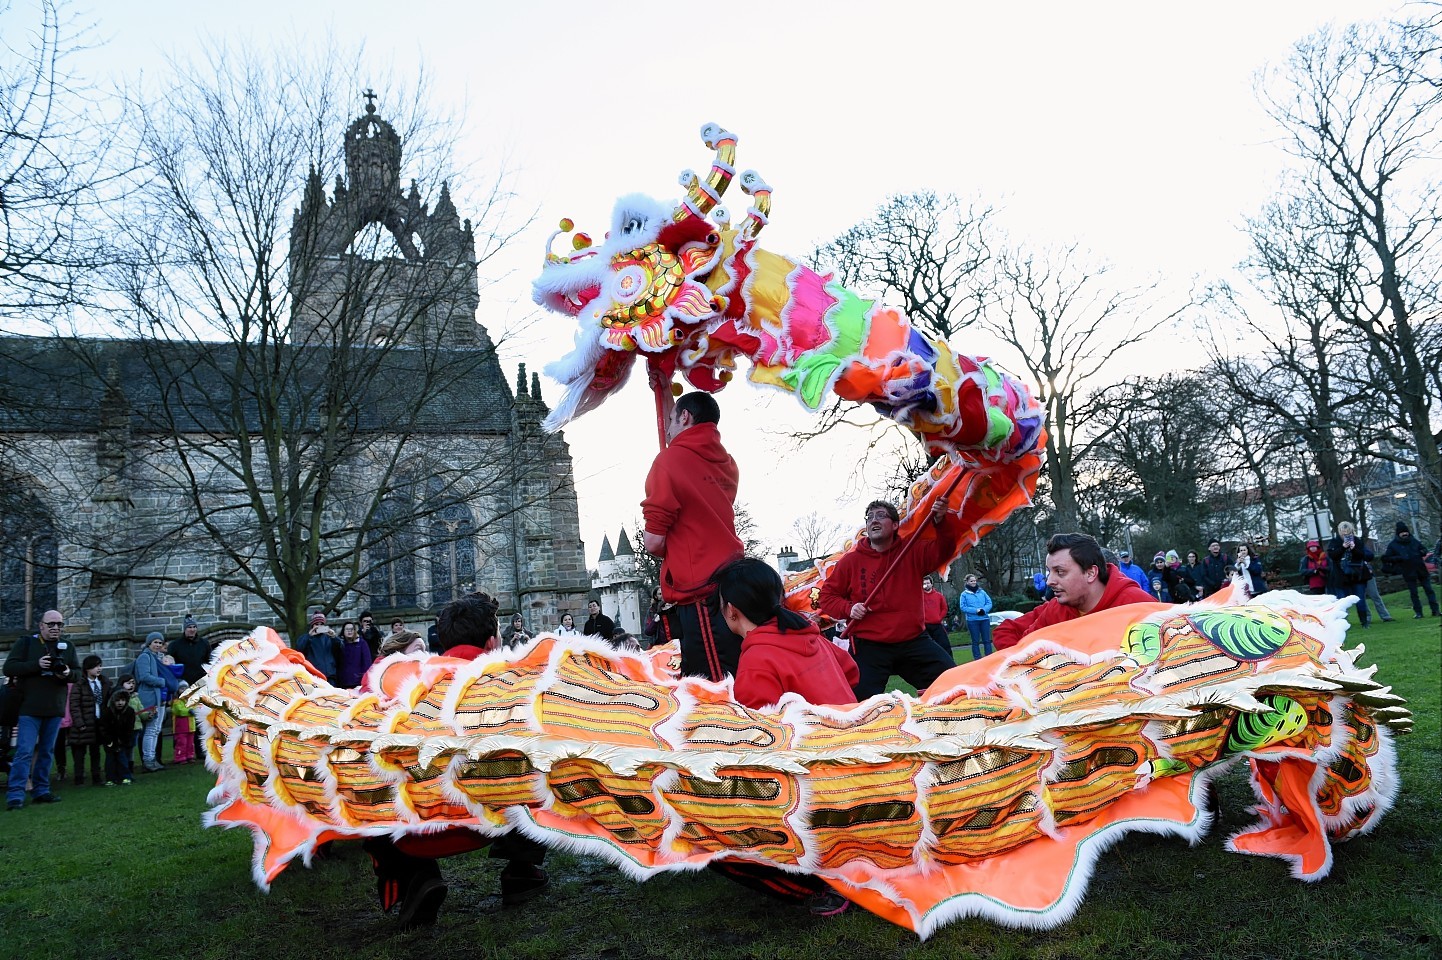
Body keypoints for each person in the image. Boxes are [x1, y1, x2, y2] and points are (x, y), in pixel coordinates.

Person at [362, 591, 549, 930]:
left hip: (411, 826)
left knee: (367, 764)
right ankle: (522, 869)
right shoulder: (513, 680)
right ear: (492, 641)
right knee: (542, 753)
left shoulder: (403, 682)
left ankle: (417, 877)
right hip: (492, 817)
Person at [709, 556, 856, 917]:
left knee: (710, 838)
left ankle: (822, 884)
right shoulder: (809, 635)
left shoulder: (758, 659)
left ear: (730, 610)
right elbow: (851, 673)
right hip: (855, 762)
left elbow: (759, 746)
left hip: (820, 788)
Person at [641, 391, 745, 680]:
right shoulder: (728, 463)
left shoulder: (668, 461)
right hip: (733, 580)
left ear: (685, 417)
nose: (668, 428)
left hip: (700, 589)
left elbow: (653, 541)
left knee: (713, 686)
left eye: (672, 420)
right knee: (739, 675)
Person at [818, 497, 962, 699]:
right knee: (855, 705)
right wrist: (849, 608)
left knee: (954, 686)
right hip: (869, 646)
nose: (873, 521)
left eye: (880, 516)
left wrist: (940, 521)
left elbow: (943, 550)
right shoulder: (850, 561)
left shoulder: (911, 551)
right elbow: (827, 597)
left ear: (895, 525)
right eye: (869, 518)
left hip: (913, 641)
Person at [994, 534, 1155, 650]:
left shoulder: (1139, 605)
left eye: (1060, 572)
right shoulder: (1055, 609)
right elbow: (1022, 652)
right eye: (1049, 571)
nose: (1049, 581)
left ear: (1091, 573)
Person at [4, 609, 78, 809]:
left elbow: (78, 674)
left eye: (59, 624)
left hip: (54, 708)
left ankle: (41, 791)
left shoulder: (68, 647)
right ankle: (15, 796)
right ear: (41, 625)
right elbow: (9, 668)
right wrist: (36, 665)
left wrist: (68, 673)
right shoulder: (26, 643)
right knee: (24, 752)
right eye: (51, 624)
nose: (55, 628)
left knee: (47, 752)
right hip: (29, 707)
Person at [133, 632, 182, 773]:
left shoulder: (157, 658)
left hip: (159, 697)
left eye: (160, 643)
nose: (158, 645)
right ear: (149, 643)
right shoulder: (145, 657)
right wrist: (163, 682)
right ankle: (148, 760)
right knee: (150, 729)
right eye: (155, 642)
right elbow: (144, 676)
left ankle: (152, 759)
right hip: (150, 697)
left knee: (155, 730)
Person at [67, 655, 110, 786]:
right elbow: (74, 705)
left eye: (100, 665)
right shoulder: (79, 684)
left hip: (98, 721)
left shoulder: (103, 682)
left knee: (95, 751)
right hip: (84, 723)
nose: (99, 668)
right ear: (87, 668)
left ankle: (96, 776)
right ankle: (78, 777)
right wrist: (79, 723)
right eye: (96, 666)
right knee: (79, 753)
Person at [1383, 521, 1439, 618]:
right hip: (1408, 571)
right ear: (1398, 533)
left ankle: (1435, 610)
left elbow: (1424, 550)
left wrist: (1421, 553)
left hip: (1421, 569)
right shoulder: (1393, 545)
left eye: (1406, 532)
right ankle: (1418, 613)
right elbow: (1386, 558)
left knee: (1429, 590)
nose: (1405, 534)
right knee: (1414, 593)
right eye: (1402, 532)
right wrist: (1400, 558)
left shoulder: (1414, 541)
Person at [1326, 521, 1374, 627]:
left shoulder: (1357, 541)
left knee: (1360, 599)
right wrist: (1343, 547)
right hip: (1341, 576)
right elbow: (1332, 556)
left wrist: (1354, 549)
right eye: (1343, 533)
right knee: (1342, 602)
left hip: (1357, 576)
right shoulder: (1334, 542)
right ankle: (1342, 623)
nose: (1346, 535)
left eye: (1348, 533)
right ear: (1339, 532)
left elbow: (1365, 556)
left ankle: (1364, 622)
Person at [294, 612, 342, 685]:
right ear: (312, 625)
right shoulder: (306, 638)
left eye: (321, 624)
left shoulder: (329, 637)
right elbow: (299, 650)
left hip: (330, 676)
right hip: (314, 676)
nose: (319, 626)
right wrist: (309, 636)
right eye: (317, 624)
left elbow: (340, 650)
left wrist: (334, 637)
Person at [957, 573, 994, 661]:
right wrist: (975, 610)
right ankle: (977, 659)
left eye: (974, 581)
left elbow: (989, 602)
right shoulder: (964, 594)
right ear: (967, 582)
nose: (974, 582)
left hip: (984, 619)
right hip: (972, 621)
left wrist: (984, 610)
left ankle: (989, 658)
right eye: (971, 581)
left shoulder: (982, 592)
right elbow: (963, 607)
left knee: (987, 640)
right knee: (975, 641)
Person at [921, 575, 952, 657]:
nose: (926, 585)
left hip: (937, 624)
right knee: (927, 647)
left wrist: (939, 618)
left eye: (928, 583)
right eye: (924, 583)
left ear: (931, 584)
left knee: (944, 645)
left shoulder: (939, 596)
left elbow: (944, 608)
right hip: (925, 626)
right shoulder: (919, 597)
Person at [336, 620, 371, 688]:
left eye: (352, 629)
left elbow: (367, 662)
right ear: (343, 631)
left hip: (358, 681)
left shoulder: (361, 643)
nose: (349, 631)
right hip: (343, 681)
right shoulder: (339, 644)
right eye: (347, 629)